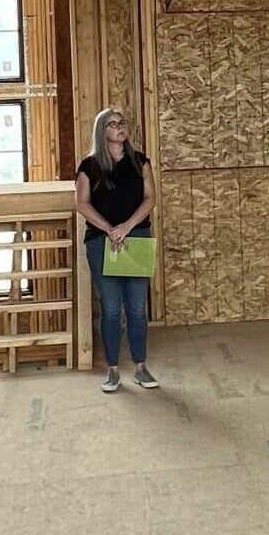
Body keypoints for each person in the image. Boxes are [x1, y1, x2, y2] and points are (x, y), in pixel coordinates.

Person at [74, 107, 159, 393]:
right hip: (102, 242)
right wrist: (111, 229)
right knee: (110, 308)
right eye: (112, 124)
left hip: (137, 238)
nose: (119, 128)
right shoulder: (89, 166)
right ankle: (112, 370)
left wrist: (127, 226)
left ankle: (140, 366)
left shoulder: (140, 162)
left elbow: (150, 198)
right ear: (103, 132)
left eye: (122, 123)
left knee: (136, 308)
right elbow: (82, 203)